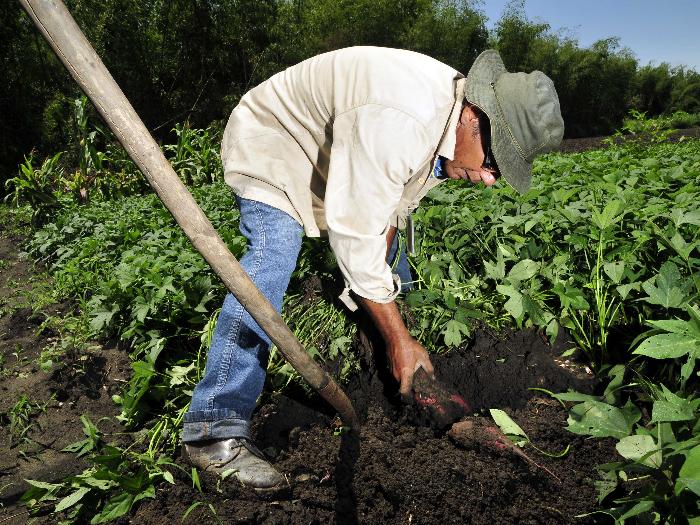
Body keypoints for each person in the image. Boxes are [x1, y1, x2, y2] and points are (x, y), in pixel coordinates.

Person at [181, 46, 564, 495]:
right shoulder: (403, 116)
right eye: (494, 161)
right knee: (271, 260)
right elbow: (358, 229)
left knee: (387, 266)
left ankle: (384, 366)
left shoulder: (445, 129)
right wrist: (397, 336)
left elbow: (387, 213)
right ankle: (213, 428)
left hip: (329, 151)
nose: (488, 179)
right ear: (472, 117)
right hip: (275, 141)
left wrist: (375, 293)